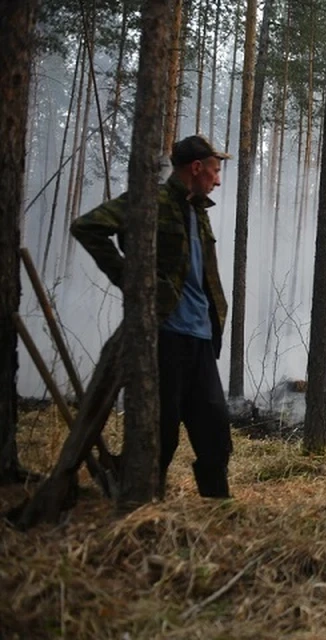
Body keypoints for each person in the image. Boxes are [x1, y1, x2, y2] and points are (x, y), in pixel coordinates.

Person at [71, 135, 233, 498]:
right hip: (164, 335)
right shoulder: (153, 201)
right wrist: (132, 281)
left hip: (202, 338)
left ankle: (220, 507)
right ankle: (139, 501)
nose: (218, 180)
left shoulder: (197, 211)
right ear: (196, 168)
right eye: (215, 170)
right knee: (160, 432)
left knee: (215, 430)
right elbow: (87, 226)